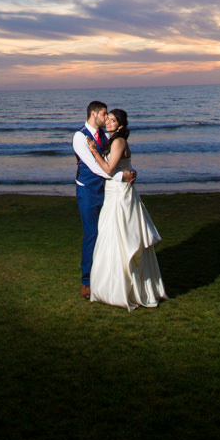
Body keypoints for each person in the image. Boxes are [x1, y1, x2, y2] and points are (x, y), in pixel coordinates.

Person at [86, 108, 168, 310]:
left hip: (120, 194)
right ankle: (110, 287)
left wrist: (94, 151)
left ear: (120, 125)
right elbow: (120, 168)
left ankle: (122, 289)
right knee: (110, 234)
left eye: (112, 120)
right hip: (116, 190)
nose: (108, 122)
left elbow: (108, 169)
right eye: (108, 119)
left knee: (119, 235)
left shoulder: (118, 141)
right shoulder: (114, 140)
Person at [73, 100, 137, 299]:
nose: (106, 118)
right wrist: (122, 176)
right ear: (94, 115)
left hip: (107, 191)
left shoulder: (106, 135)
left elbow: (117, 158)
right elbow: (94, 166)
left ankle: (107, 277)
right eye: (104, 114)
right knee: (92, 235)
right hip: (88, 191)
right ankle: (86, 281)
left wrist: (127, 171)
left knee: (108, 235)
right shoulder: (79, 137)